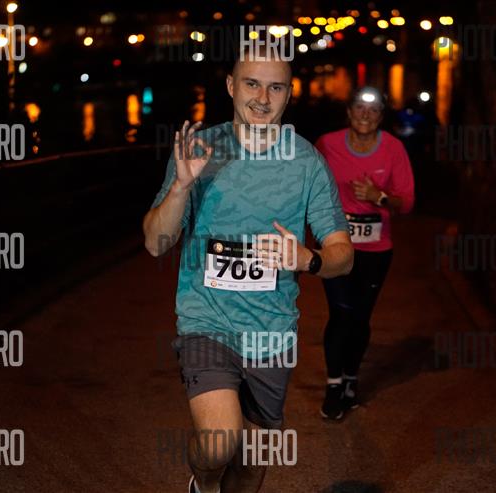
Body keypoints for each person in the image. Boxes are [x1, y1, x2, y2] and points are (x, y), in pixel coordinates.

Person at [142, 44, 353, 493]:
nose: (262, 98)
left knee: (252, 466)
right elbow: (155, 242)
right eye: (252, 84)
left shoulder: (307, 162)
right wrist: (180, 187)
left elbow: (343, 255)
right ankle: (204, 484)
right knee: (219, 441)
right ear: (230, 86)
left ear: (289, 93)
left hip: (272, 332)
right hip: (206, 321)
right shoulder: (201, 150)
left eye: (275, 87)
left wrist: (308, 259)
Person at [315, 86, 415, 420]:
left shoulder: (393, 149)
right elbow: (308, 185)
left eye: (373, 110)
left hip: (375, 250)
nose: (365, 115)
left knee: (359, 318)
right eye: (359, 107)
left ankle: (351, 380)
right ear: (348, 111)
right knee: (340, 313)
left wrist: (379, 197)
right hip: (336, 245)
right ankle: (333, 386)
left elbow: (407, 203)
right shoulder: (327, 144)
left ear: (381, 117)